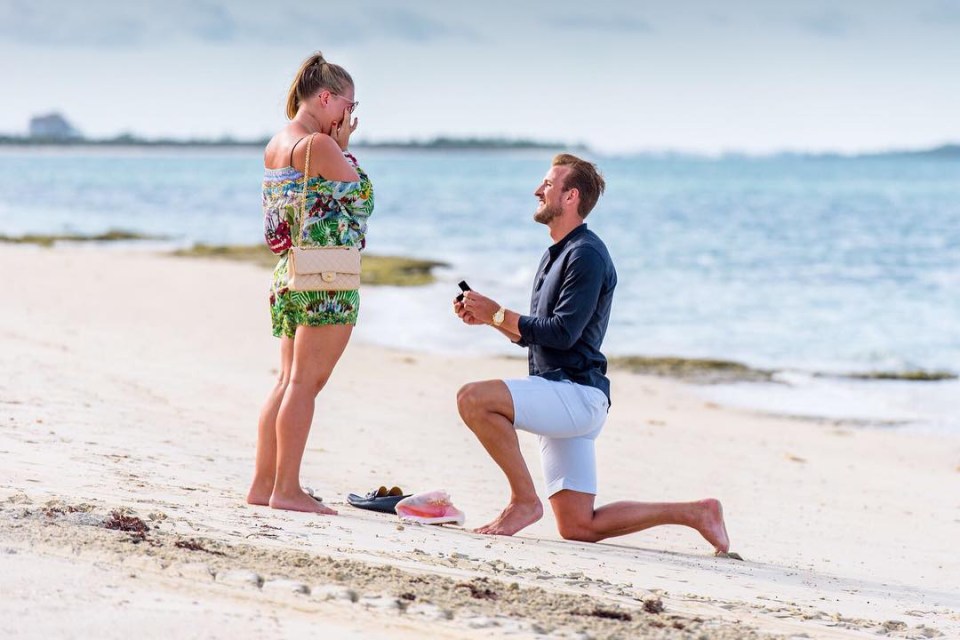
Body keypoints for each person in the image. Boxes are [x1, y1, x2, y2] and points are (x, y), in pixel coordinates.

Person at [454, 153, 731, 553]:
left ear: (571, 197)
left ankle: (524, 501)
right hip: (563, 395)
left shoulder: (586, 254)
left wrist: (497, 312)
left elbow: (564, 334)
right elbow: (547, 336)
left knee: (473, 399)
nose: (537, 190)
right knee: (579, 526)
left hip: (576, 395)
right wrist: (489, 319)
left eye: (548, 185)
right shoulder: (558, 253)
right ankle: (697, 513)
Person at [248, 51, 373, 514]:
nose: (350, 117)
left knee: (286, 381)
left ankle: (265, 485)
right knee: (303, 385)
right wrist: (344, 146)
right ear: (326, 98)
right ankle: (287, 489)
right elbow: (361, 199)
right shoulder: (320, 147)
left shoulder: (277, 144)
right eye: (349, 106)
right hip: (326, 277)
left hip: (290, 272)